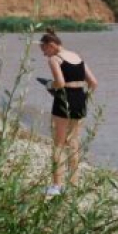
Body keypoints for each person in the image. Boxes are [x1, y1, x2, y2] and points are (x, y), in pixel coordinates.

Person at [39, 29, 98, 196]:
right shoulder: (78, 56)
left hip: (64, 99)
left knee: (58, 144)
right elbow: (93, 82)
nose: (44, 54)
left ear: (51, 46)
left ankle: (57, 186)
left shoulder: (54, 59)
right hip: (80, 99)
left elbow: (60, 82)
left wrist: (50, 86)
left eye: (44, 50)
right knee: (73, 143)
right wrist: (85, 99)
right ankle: (74, 184)